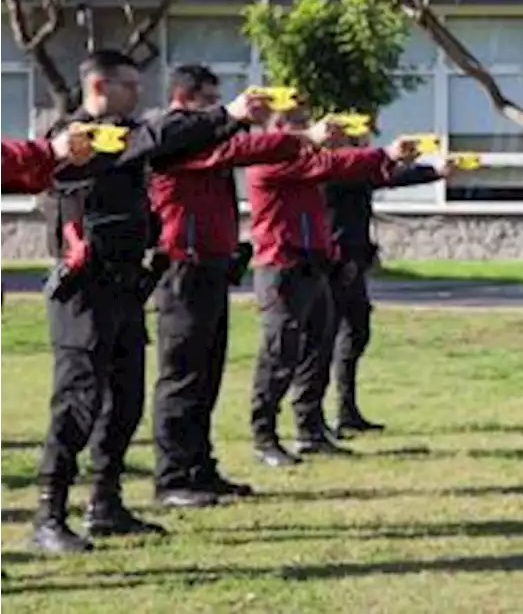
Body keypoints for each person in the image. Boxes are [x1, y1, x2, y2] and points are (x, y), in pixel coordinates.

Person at [31, 49, 271, 554]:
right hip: (83, 293)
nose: (138, 97)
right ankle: (48, 515)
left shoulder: (125, 136)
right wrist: (225, 113)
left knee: (124, 403)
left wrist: (230, 124)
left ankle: (105, 503)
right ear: (99, 87)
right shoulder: (74, 139)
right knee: (76, 405)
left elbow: (170, 142)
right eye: (129, 86)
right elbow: (153, 138)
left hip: (124, 288)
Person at [147, 65, 311, 508]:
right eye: (210, 99)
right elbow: (242, 150)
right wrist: (297, 136)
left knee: (207, 373)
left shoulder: (203, 139)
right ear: (187, 97)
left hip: (211, 268)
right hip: (183, 268)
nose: (218, 108)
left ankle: (200, 468)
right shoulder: (175, 140)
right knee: (182, 376)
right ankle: (174, 476)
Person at [245, 112, 420, 467]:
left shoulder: (307, 162)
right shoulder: (269, 161)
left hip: (313, 264)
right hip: (282, 266)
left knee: (318, 349)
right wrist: (384, 152)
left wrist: (391, 159)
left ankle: (310, 430)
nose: (311, 132)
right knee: (280, 354)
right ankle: (264, 437)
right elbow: (330, 164)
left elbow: (345, 168)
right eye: (297, 126)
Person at [323, 133, 454, 435]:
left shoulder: (353, 170)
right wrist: (391, 159)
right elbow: (379, 174)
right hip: (333, 260)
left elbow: (388, 177)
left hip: (353, 258)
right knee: (325, 340)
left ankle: (345, 410)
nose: (364, 148)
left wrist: (433, 171)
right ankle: (315, 418)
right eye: (358, 143)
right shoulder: (330, 169)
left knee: (355, 332)